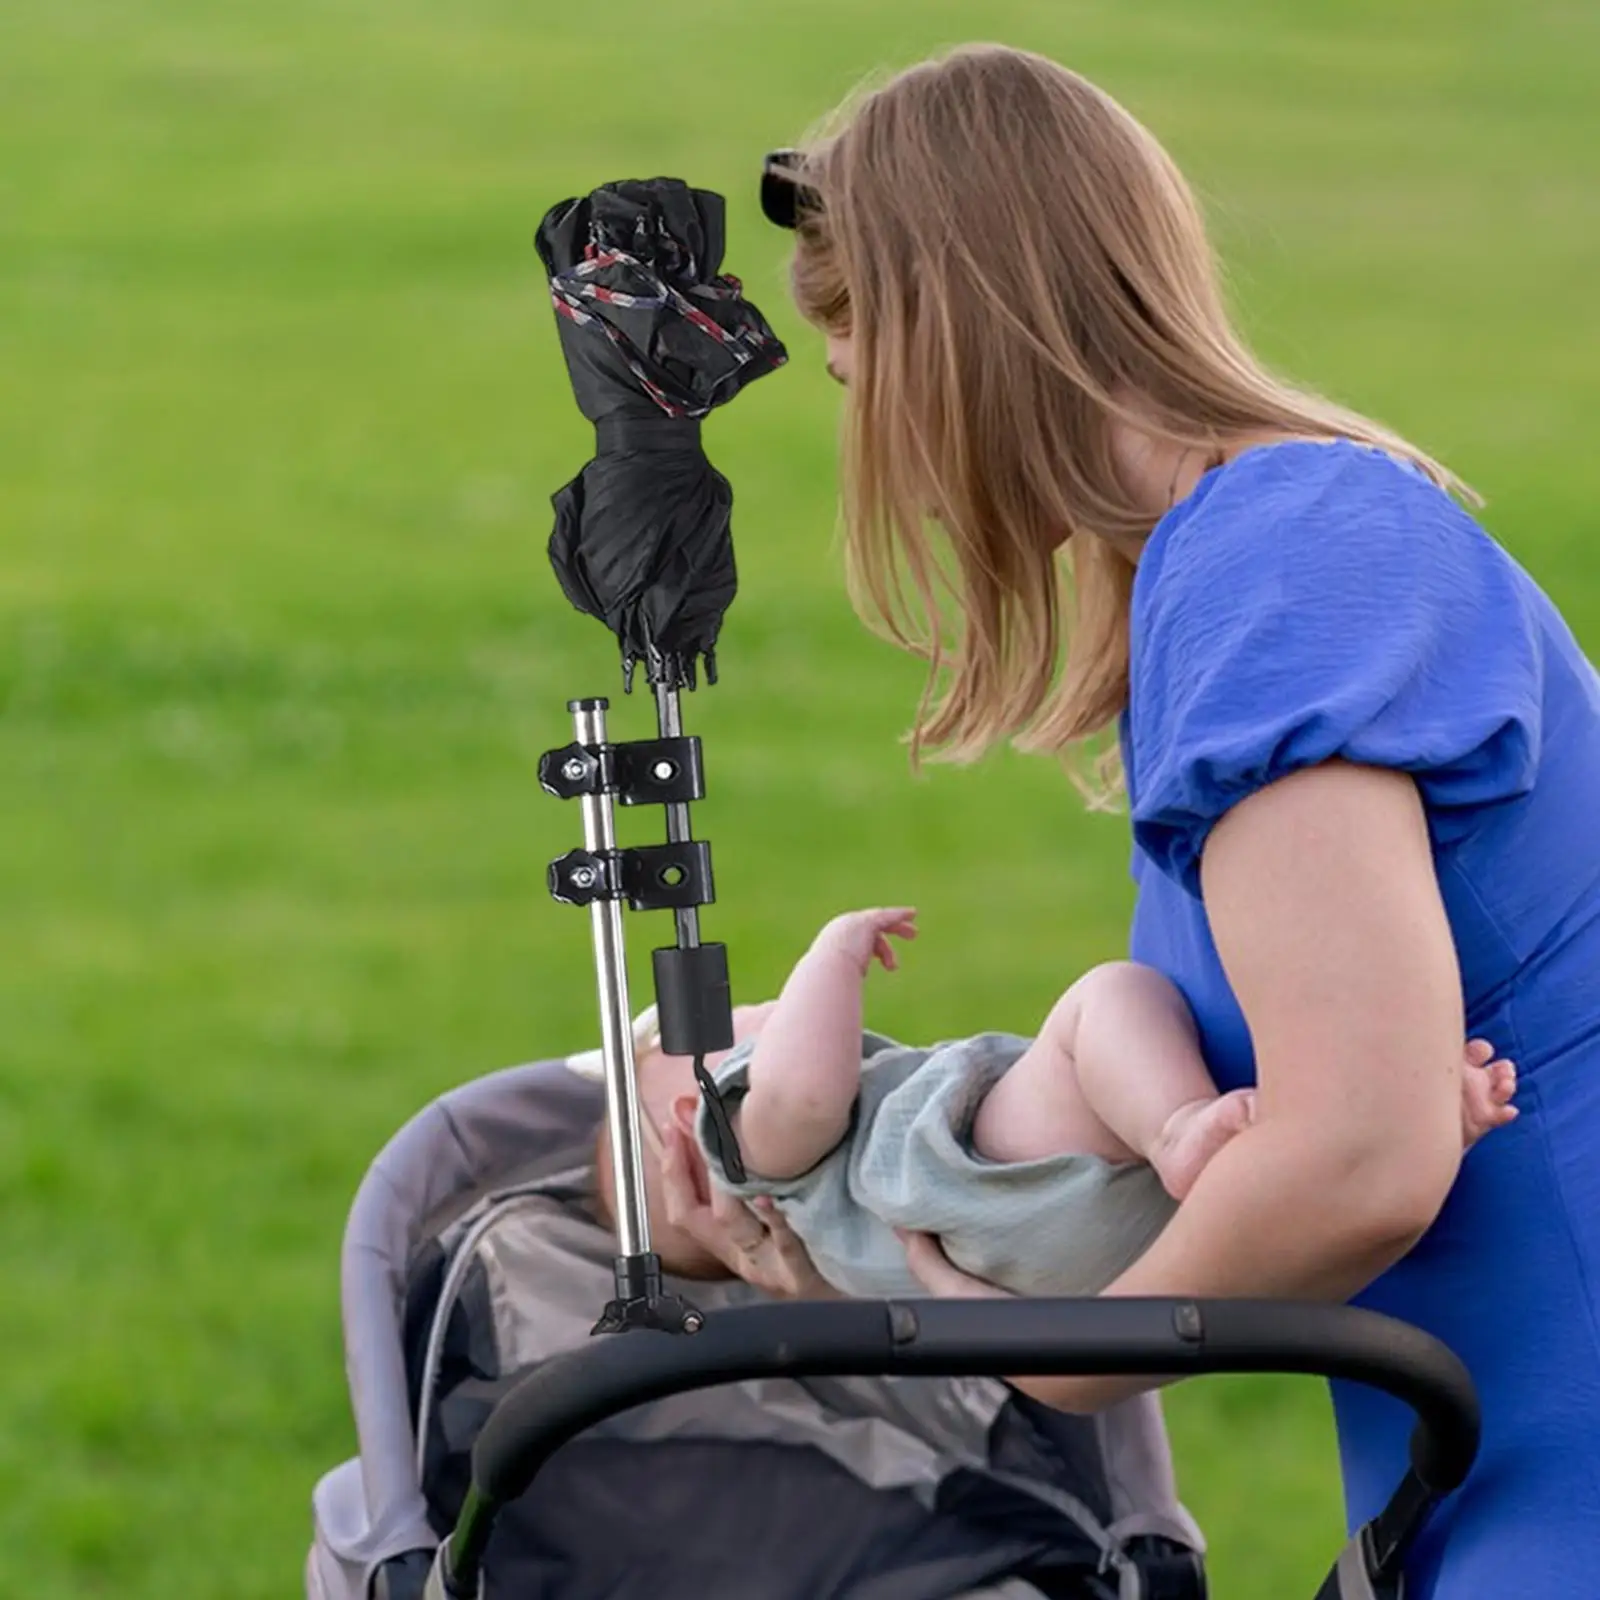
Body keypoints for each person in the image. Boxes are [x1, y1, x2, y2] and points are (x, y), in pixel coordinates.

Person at [657, 42, 1600, 1600]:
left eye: (856, 372)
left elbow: (1361, 1160)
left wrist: (1029, 1359)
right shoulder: (1261, 550)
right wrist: (858, 1202)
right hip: (1481, 1481)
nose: (874, 446)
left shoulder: (1280, 557)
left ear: (947, 335)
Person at [593, 911, 1517, 1300]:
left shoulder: (830, 1245)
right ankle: (1181, 1127)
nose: (746, 1013)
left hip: (1064, 1271)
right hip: (994, 1171)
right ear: (688, 1122)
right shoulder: (746, 1134)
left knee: (1279, 1191)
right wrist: (830, 959)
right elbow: (800, 1087)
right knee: (1099, 1010)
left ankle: (1421, 1130)